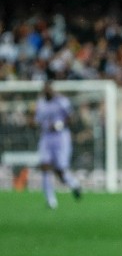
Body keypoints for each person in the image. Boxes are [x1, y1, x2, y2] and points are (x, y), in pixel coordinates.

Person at [31, 80, 82, 209]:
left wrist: (58, 125)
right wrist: (32, 122)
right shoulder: (40, 103)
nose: (46, 91)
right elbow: (36, 120)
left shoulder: (61, 101)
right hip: (46, 137)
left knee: (60, 170)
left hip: (61, 137)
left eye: (48, 88)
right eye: (44, 88)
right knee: (44, 166)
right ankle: (50, 200)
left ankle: (74, 184)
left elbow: (71, 117)